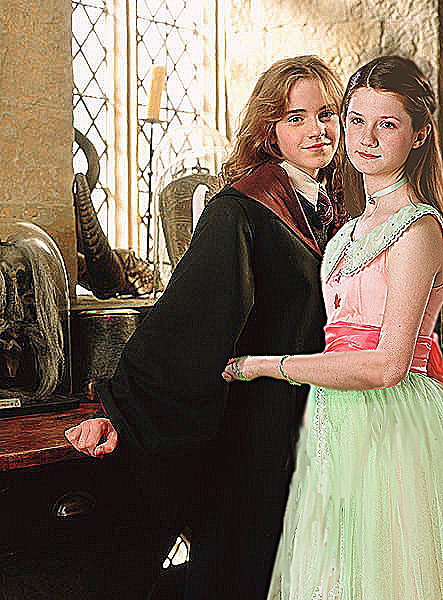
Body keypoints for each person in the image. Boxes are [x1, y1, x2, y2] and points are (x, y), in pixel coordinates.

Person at [65, 56, 346, 599]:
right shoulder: (240, 211)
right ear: (269, 131)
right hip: (260, 439)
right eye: (296, 117)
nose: (317, 129)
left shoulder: (332, 209)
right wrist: (122, 413)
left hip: (323, 433)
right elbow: (188, 324)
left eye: (327, 114)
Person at [223, 55, 443, 600]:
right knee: (330, 574)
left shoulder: (420, 229)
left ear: (418, 136)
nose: (365, 138)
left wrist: (266, 366)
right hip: (333, 416)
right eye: (356, 119)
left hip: (392, 419)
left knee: (382, 573)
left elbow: (388, 365)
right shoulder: (347, 230)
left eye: (387, 124)